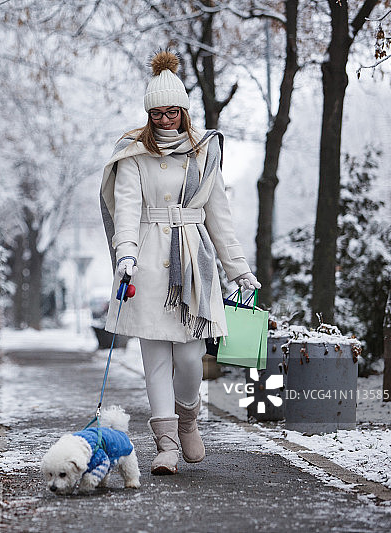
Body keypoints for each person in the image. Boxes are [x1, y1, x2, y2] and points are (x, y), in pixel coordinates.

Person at [99, 51, 261, 475]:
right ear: (149, 113)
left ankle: (189, 420)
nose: (165, 119)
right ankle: (165, 444)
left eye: (172, 111)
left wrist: (238, 267)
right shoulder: (133, 153)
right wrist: (126, 255)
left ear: (184, 111)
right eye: (157, 113)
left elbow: (219, 216)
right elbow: (127, 207)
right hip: (149, 261)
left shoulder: (203, 153)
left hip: (193, 261)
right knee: (154, 359)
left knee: (190, 358)